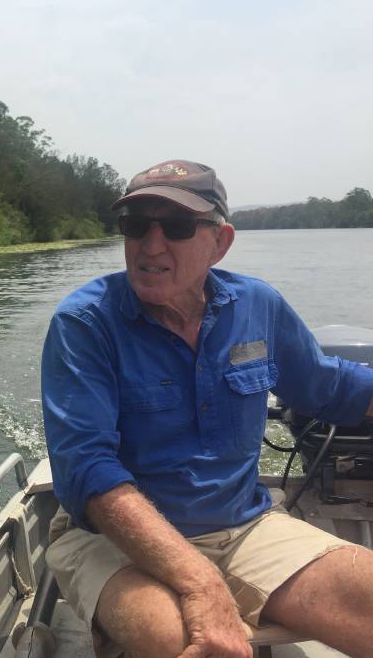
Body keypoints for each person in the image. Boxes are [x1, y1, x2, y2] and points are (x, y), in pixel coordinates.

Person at [41, 159, 373, 658]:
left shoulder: (257, 305)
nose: (152, 245)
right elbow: (87, 471)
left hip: (243, 525)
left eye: (175, 227)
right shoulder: (85, 323)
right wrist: (201, 582)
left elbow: (326, 387)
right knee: (178, 640)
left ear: (221, 242)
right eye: (136, 226)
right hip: (110, 539)